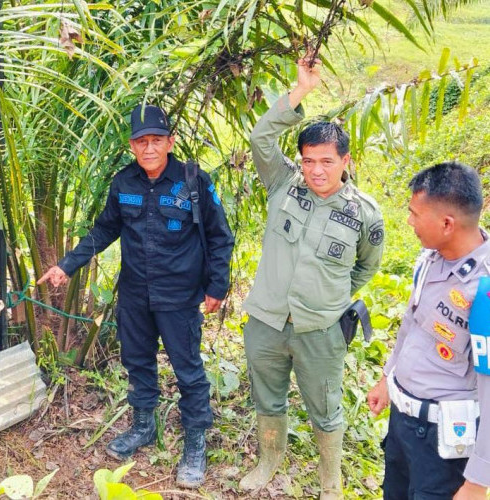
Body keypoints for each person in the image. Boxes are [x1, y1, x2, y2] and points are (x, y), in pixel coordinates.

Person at [38, 103, 234, 488]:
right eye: (141, 142)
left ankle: (195, 442)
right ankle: (144, 425)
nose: (148, 149)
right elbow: (103, 230)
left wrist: (217, 285)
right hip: (134, 295)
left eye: (156, 141)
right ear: (132, 146)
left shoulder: (194, 181)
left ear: (170, 142)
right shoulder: (123, 183)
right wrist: (66, 265)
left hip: (178, 296)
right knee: (138, 362)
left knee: (188, 369)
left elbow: (219, 235)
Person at [239, 56, 385, 498]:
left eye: (325, 161)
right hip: (266, 321)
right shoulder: (285, 184)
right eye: (308, 161)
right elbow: (260, 137)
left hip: (320, 330)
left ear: (346, 160)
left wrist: (327, 297)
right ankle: (268, 462)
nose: (316, 170)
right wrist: (299, 92)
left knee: (326, 410)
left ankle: (330, 483)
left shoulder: (365, 214)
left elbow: (366, 267)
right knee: (268, 398)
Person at [367, 161, 489, 499]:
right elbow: (412, 322)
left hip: (443, 443)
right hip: (403, 425)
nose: (408, 221)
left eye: (414, 214)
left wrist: (478, 481)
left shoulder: (485, 290)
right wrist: (387, 378)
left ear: (447, 223)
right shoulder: (430, 258)